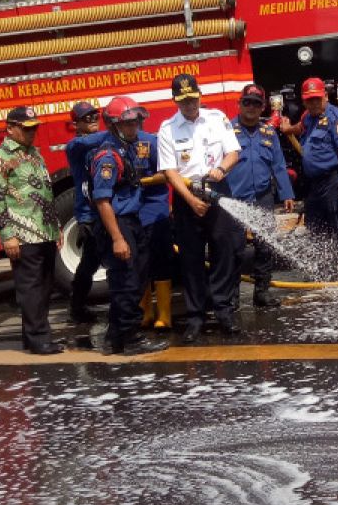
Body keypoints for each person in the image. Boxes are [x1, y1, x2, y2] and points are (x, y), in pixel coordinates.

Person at [157, 73, 243, 343]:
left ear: (199, 95)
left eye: (193, 99)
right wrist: (191, 200)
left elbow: (233, 153)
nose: (190, 105)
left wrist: (220, 169)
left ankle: (223, 311)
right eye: (183, 101)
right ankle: (196, 316)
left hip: (217, 190)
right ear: (176, 101)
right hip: (186, 195)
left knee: (224, 251)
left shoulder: (217, 119)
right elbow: (169, 171)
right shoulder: (167, 128)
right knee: (191, 258)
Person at [0, 106, 63, 355]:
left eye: (35, 128)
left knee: (45, 286)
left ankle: (34, 334)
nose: (33, 133)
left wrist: (56, 227)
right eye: (27, 129)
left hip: (44, 230)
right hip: (22, 233)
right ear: (10, 128)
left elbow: (46, 193)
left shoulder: (34, 155)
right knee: (31, 288)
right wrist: (7, 235)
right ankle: (38, 337)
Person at [91, 97, 168, 356]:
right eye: (128, 123)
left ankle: (114, 338)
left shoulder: (128, 148)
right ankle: (130, 340)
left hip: (131, 220)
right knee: (127, 282)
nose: (134, 127)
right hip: (118, 223)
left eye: (136, 121)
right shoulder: (109, 157)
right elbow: (102, 201)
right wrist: (117, 238)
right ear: (114, 126)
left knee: (135, 277)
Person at [279, 77, 338, 280]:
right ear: (304, 101)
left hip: (335, 179)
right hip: (314, 184)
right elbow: (300, 128)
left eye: (316, 99)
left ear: (325, 96)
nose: (313, 103)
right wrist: (288, 129)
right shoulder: (308, 117)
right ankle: (326, 272)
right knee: (317, 229)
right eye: (309, 100)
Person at [228, 83, 296, 308]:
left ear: (262, 107)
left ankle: (262, 292)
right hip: (235, 197)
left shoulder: (268, 132)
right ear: (240, 104)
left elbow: (278, 165)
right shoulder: (226, 131)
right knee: (234, 249)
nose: (251, 107)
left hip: (263, 196)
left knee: (265, 245)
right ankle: (232, 297)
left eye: (256, 104)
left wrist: (287, 193)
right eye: (247, 102)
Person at [134, 117, 176, 330]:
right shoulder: (117, 146)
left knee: (160, 262)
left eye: (135, 121)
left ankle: (164, 315)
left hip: (155, 211)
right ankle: (145, 313)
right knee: (140, 264)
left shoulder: (151, 142)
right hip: (132, 214)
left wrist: (143, 181)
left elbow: (167, 173)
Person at [65, 102, 103, 324]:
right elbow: (93, 140)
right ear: (76, 124)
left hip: (106, 208)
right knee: (90, 262)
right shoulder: (75, 146)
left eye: (94, 116)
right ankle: (76, 306)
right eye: (86, 118)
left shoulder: (103, 142)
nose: (92, 121)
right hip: (89, 213)